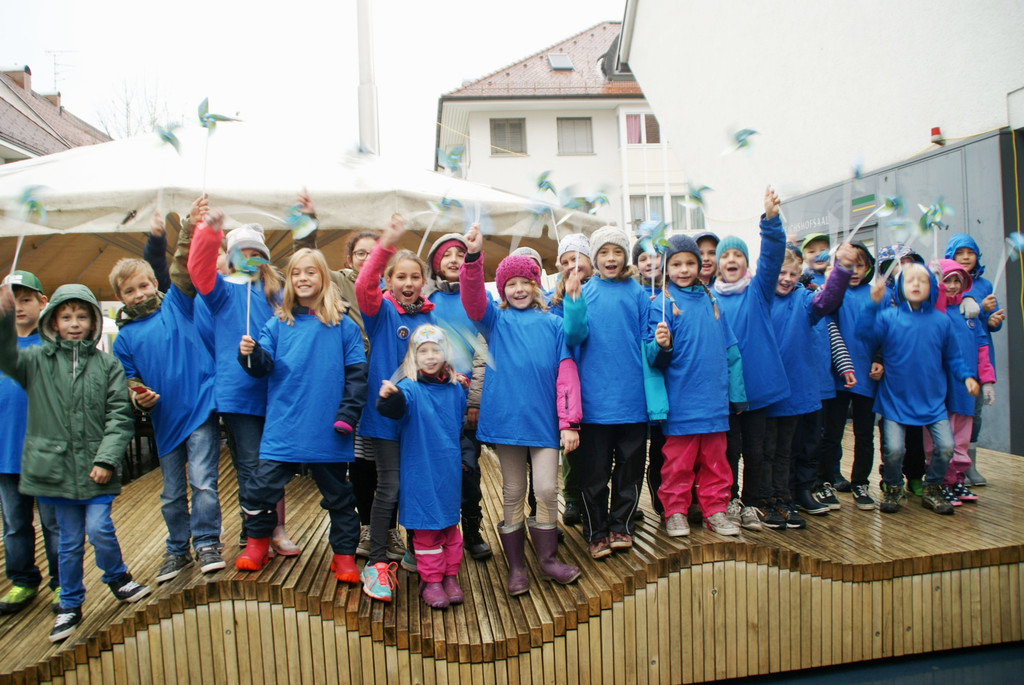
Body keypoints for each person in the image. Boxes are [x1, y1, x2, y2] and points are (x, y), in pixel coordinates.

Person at [0, 283, 150, 643]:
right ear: (52, 321)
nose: (74, 323)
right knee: (67, 542)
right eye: (66, 316)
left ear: (94, 321)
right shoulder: (37, 360)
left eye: (82, 316)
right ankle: (68, 603)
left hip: (96, 472)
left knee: (99, 529)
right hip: (55, 474)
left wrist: (107, 459)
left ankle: (116, 576)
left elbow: (119, 417)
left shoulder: (108, 365)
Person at [234, 238, 368, 582]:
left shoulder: (345, 326)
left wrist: (347, 417)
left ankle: (344, 555)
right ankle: (257, 543)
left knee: (340, 497)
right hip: (285, 426)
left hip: (329, 429)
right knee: (259, 489)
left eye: (311, 272)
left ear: (324, 277)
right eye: (296, 273)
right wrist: (250, 353)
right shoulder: (277, 324)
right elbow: (260, 366)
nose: (303, 278)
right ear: (289, 280)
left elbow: (357, 378)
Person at [460, 228, 581, 595]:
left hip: (545, 423)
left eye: (525, 281)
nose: (518, 289)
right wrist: (472, 259)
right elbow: (473, 301)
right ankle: (516, 567)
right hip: (507, 423)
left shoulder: (555, 324)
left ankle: (547, 559)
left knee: (545, 489)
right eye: (510, 283)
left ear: (537, 284)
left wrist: (570, 422)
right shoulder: (494, 322)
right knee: (513, 492)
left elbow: (568, 373)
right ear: (502, 289)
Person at [185, 197, 300, 556]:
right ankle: (258, 532)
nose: (249, 259)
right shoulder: (221, 291)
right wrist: (208, 232)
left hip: (275, 390)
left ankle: (272, 527)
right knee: (252, 465)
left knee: (273, 462)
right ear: (231, 257)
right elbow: (198, 269)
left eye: (256, 253)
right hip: (238, 394)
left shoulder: (277, 293)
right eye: (241, 252)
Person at [110, 241, 223, 581]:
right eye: (130, 290)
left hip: (201, 408)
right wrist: (137, 397)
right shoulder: (123, 339)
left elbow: (180, 267)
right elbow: (129, 382)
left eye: (143, 285)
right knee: (172, 492)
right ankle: (177, 548)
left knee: (203, 482)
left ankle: (206, 542)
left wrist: (186, 230)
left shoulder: (177, 304)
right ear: (121, 297)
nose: (139, 293)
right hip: (165, 420)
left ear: (155, 284)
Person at [355, 215, 435, 602]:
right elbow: (362, 285)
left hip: (420, 419)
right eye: (399, 277)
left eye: (413, 277)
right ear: (388, 281)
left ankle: (417, 551)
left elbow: (439, 362)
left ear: (424, 281)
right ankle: (376, 563)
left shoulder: (430, 317)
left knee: (418, 483)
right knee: (391, 486)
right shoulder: (380, 313)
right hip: (386, 417)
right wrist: (385, 243)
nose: (407, 283)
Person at [563, 226, 653, 559]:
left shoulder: (639, 292)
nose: (611, 258)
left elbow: (647, 342)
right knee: (594, 472)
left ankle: (621, 525)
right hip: (595, 403)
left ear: (625, 256)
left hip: (633, 402)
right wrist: (572, 301)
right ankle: (596, 529)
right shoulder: (585, 292)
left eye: (617, 251)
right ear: (594, 259)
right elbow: (573, 336)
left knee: (630, 471)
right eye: (603, 252)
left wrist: (661, 343)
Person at [863, 263, 979, 514]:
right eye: (910, 280)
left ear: (932, 288)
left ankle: (933, 487)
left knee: (946, 447)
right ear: (901, 287)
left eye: (923, 280)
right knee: (894, 450)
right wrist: (873, 306)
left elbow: (954, 358)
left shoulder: (941, 321)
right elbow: (864, 334)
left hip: (933, 401)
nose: (916, 285)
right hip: (895, 400)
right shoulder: (888, 317)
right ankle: (893, 487)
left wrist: (967, 377)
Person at [651, 235, 744, 538]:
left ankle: (715, 510)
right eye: (676, 263)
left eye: (690, 262)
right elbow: (652, 356)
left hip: (714, 403)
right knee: (678, 463)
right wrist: (660, 345)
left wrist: (737, 395)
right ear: (666, 267)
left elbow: (731, 351)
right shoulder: (664, 304)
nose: (684, 269)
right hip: (682, 403)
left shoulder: (712, 301)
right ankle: (675, 510)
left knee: (717, 464)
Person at [762, 242, 853, 528]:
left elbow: (827, 302)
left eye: (793, 273)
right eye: (782, 273)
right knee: (767, 450)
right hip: (767, 391)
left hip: (797, 389)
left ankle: (789, 496)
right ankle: (768, 499)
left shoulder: (804, 299)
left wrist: (842, 269)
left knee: (791, 447)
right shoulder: (760, 299)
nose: (787, 279)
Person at [377, 325, 468, 609]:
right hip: (420, 472)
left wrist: (467, 459)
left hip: (448, 472)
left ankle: (450, 575)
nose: (430, 356)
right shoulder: (409, 388)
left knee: (451, 530)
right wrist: (389, 398)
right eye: (423, 351)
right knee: (428, 532)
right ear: (413, 357)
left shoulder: (455, 390)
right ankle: (430, 580)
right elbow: (394, 409)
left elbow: (461, 428)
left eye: (436, 350)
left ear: (445, 353)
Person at [714, 187, 789, 530]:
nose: (731, 260)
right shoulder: (709, 298)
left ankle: (754, 501)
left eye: (738, 255)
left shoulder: (758, 291)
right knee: (729, 451)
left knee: (757, 451)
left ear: (746, 262)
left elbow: (773, 256)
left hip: (757, 391)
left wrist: (770, 221)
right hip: (726, 393)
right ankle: (730, 500)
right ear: (717, 264)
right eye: (725, 255)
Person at [424, 232, 492, 562]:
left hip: (465, 403)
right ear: (436, 264)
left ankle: (473, 530)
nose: (453, 258)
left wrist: (475, 400)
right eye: (446, 254)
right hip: (431, 403)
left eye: (459, 253)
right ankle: (432, 535)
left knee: (469, 470)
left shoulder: (474, 301)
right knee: (433, 471)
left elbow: (482, 352)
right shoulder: (426, 303)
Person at [0, 271, 59, 615]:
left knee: (54, 523)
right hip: (6, 454)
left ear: (41, 302)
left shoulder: (52, 344)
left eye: (26, 299)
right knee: (14, 524)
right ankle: (22, 580)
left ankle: (62, 581)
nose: (19, 307)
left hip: (45, 452)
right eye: (12, 300)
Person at [813, 242, 879, 511]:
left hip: (868, 375)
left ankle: (860, 482)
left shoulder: (876, 294)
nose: (854, 271)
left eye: (860, 265)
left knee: (865, 434)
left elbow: (885, 331)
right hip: (835, 377)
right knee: (832, 433)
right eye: (849, 265)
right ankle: (825, 480)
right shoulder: (836, 294)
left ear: (869, 268)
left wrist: (879, 359)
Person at [928, 260, 996, 505]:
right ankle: (940, 481)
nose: (954, 286)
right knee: (939, 439)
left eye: (958, 280)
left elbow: (981, 347)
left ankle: (957, 480)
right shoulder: (935, 313)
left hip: (966, 390)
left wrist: (987, 380)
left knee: (961, 438)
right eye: (948, 280)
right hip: (941, 389)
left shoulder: (970, 315)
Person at [944, 233, 1006, 486]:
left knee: (974, 412)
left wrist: (991, 320)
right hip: (952, 359)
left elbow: (985, 327)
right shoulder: (948, 284)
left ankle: (970, 465)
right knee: (951, 412)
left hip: (979, 356)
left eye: (970, 252)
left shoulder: (987, 285)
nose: (966, 257)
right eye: (960, 253)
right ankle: (949, 467)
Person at [548, 233, 593, 528]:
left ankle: (597, 497)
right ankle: (573, 495)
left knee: (599, 446)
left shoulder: (600, 290)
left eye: (576, 258)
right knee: (573, 447)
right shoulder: (555, 299)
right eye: (565, 261)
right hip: (569, 377)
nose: (571, 265)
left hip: (596, 374)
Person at [633, 243, 668, 519]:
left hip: (670, 382)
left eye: (655, 256)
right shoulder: (636, 294)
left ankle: (668, 498)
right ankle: (653, 493)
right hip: (641, 381)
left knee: (666, 445)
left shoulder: (670, 296)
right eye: (643, 257)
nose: (650, 262)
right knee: (642, 447)